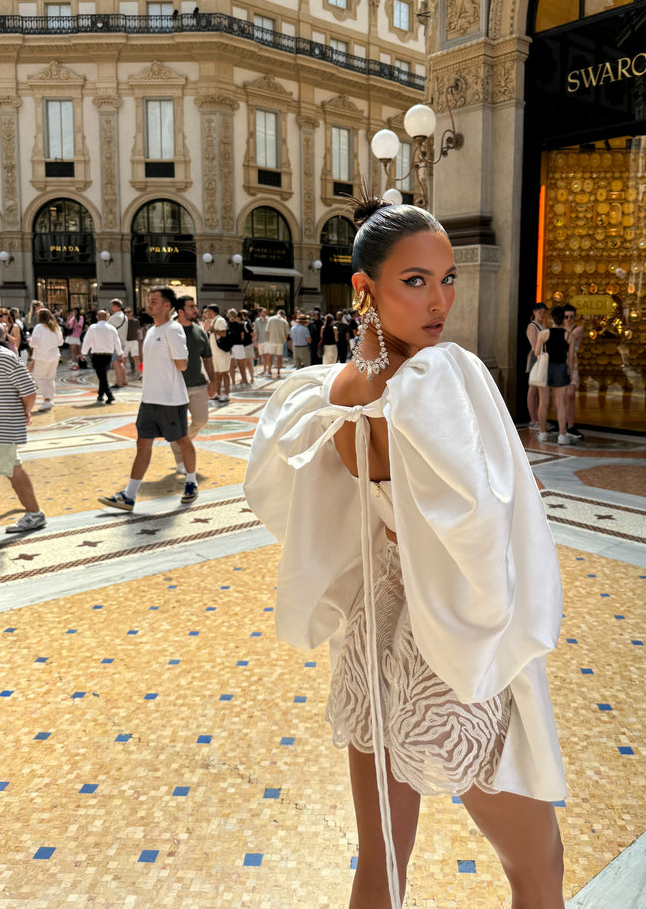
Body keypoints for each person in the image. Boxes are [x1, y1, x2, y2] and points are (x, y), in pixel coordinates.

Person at [246, 198, 566, 909]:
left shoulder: (325, 393)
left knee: (382, 864)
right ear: (364, 288)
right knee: (539, 870)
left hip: (373, 636)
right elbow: (485, 525)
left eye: (448, 279)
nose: (441, 300)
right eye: (415, 281)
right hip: (455, 649)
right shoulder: (442, 377)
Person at [98, 286, 197, 510]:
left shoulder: (173, 329)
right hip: (149, 399)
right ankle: (129, 495)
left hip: (171, 399)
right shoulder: (152, 330)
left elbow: (182, 364)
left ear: (167, 305)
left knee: (182, 441)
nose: (149, 304)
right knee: (142, 444)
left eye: (154, 301)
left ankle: (191, 483)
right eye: (149, 300)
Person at [0, 311, 47, 534]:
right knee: (13, 470)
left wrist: (24, 413)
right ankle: (35, 514)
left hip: (1, 429)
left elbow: (29, 392)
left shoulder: (6, 358)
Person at [171, 295, 216, 477]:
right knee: (177, 426)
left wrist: (213, 381)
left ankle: (183, 443)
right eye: (191, 307)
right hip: (174, 387)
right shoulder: (169, 331)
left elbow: (207, 358)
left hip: (198, 385)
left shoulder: (199, 331)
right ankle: (181, 460)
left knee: (201, 419)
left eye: (195, 306)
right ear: (180, 311)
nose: (195, 310)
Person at [534, 307, 577, 445]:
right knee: (561, 404)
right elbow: (570, 358)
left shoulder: (544, 333)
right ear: (563, 319)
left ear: (551, 318)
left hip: (546, 368)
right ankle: (562, 435)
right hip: (561, 368)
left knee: (543, 402)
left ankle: (543, 433)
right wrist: (570, 373)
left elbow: (536, 352)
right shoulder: (569, 335)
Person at [80, 310, 124, 405]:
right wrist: (120, 353)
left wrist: (83, 353)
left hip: (97, 355)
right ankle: (100, 395)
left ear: (97, 317)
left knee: (102, 376)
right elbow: (117, 342)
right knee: (102, 375)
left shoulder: (93, 327)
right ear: (107, 318)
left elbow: (87, 341)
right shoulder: (112, 328)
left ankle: (109, 395)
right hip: (108, 355)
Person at [29, 308, 63, 412]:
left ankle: (47, 399)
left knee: (40, 378)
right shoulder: (56, 327)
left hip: (42, 356)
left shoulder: (39, 327)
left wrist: (29, 340)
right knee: (50, 378)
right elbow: (60, 342)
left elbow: (34, 343)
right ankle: (50, 398)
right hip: (54, 355)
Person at [562, 303, 585, 439]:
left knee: (570, 394)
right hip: (560, 362)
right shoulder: (562, 329)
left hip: (572, 363)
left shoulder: (578, 329)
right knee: (561, 395)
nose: (569, 319)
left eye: (571, 316)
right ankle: (563, 424)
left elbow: (567, 339)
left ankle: (570, 425)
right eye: (566, 317)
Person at [525, 302, 548, 430]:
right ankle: (533, 419)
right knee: (533, 389)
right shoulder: (532, 326)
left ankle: (539, 419)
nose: (542, 314)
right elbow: (535, 347)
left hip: (543, 357)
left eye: (544, 312)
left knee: (539, 390)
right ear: (534, 312)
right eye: (540, 311)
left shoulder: (543, 326)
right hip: (536, 358)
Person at [205, 304, 230, 402]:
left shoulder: (220, 320)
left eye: (207, 311)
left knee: (224, 373)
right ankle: (218, 393)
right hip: (215, 352)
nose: (206, 314)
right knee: (217, 374)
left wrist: (213, 330)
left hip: (222, 351)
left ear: (211, 311)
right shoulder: (214, 321)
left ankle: (226, 394)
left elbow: (224, 333)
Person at [108, 299, 129, 389]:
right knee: (120, 362)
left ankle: (119, 382)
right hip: (123, 341)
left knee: (116, 363)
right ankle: (123, 380)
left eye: (112, 306)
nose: (111, 307)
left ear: (115, 306)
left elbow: (107, 327)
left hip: (116, 342)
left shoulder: (115, 317)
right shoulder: (124, 316)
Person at [264, 308, 290, 378]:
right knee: (279, 357)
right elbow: (287, 333)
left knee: (270, 356)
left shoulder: (271, 319)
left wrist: (268, 339)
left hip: (271, 340)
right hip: (280, 342)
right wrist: (283, 340)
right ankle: (278, 371)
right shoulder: (284, 322)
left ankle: (269, 370)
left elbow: (267, 331)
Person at [124, 307, 141, 378]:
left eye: (129, 312)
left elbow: (138, 331)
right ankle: (123, 374)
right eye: (126, 312)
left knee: (136, 357)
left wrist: (139, 340)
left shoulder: (136, 321)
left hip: (134, 341)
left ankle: (139, 373)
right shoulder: (123, 322)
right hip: (125, 341)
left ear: (132, 312)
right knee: (123, 358)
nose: (127, 313)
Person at [253, 307, 269, 376]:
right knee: (263, 355)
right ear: (260, 313)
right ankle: (265, 368)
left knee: (267, 355)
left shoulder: (268, 320)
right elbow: (256, 331)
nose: (265, 313)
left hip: (267, 340)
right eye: (263, 312)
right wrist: (255, 341)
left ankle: (268, 368)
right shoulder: (257, 321)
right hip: (260, 340)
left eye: (265, 312)